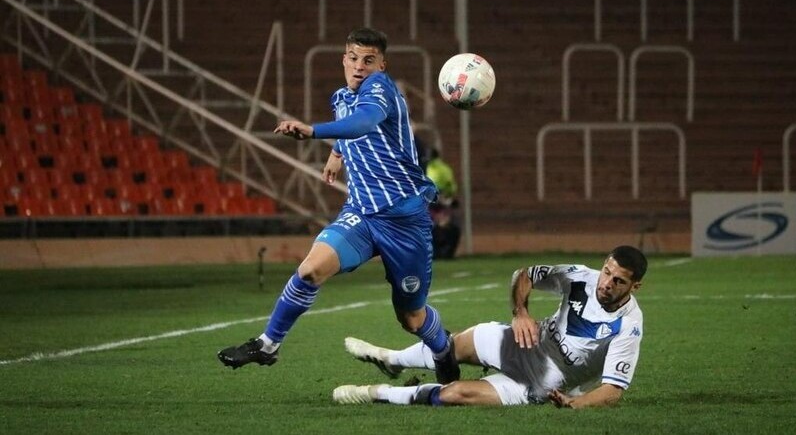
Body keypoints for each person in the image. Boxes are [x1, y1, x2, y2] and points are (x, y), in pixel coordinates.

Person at [217, 27, 460, 384]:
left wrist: (315, 132)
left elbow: (366, 121)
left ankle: (442, 351)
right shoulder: (342, 97)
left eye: (369, 60)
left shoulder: (381, 88)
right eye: (353, 58)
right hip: (361, 214)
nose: (359, 67)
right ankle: (268, 344)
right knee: (310, 270)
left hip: (404, 221)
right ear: (343, 59)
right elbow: (352, 125)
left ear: (382, 64)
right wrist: (336, 153)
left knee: (411, 317)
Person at [332, 245, 647, 408]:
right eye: (607, 272)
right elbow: (525, 275)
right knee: (451, 346)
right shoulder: (581, 276)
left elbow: (613, 390)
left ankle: (376, 394)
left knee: (454, 394)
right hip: (525, 341)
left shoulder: (628, 326)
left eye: (618, 280)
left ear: (635, 287)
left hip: (541, 382)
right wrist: (520, 311)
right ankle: (393, 360)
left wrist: (575, 403)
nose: (606, 283)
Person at [425, 149, 460, 259]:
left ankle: (442, 254)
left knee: (448, 229)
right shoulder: (443, 169)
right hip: (436, 212)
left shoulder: (432, 169)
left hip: (439, 210)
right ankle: (442, 254)